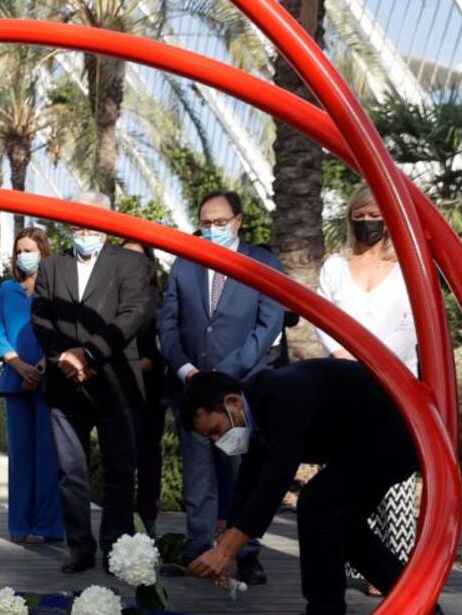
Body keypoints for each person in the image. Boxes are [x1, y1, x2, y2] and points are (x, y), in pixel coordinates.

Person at [181, 361, 449, 615]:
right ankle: (420, 607)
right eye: (212, 438)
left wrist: (227, 550)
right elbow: (251, 477)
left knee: (317, 507)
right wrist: (227, 539)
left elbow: (276, 477)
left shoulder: (281, 395)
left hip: (392, 434)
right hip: (368, 441)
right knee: (339, 523)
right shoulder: (256, 408)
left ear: (232, 402)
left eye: (217, 430)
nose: (220, 441)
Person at [157, 190, 284, 586]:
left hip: (238, 394)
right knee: (198, 477)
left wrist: (224, 376)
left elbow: (268, 327)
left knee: (241, 472)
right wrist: (185, 369)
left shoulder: (262, 263)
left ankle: (245, 552)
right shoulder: (185, 263)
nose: (212, 229)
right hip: (192, 390)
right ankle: (198, 550)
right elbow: (167, 322)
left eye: (219, 222)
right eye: (205, 223)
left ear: (238, 221)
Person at [30, 192, 154, 575]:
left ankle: (114, 547)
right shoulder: (51, 266)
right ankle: (79, 547)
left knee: (120, 470)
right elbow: (41, 319)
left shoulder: (131, 262)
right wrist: (66, 359)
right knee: (71, 472)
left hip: (116, 382)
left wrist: (90, 355)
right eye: (76, 220)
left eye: (91, 219)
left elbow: (135, 313)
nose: (83, 228)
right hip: (65, 385)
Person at [315, 184, 419, 597]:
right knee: (342, 474)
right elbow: (323, 318)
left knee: (393, 481)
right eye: (358, 216)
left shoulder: (409, 267)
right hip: (343, 381)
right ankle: (352, 563)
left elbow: (413, 326)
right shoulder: (335, 267)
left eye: (374, 215)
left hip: (396, 384)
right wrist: (346, 357)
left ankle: (395, 571)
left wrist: (381, 367)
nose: (366, 223)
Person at [0, 227, 65, 545]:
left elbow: (66, 330)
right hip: (15, 379)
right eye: (19, 250)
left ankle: (48, 526)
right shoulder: (6, 290)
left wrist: (46, 363)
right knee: (20, 457)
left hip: (52, 378)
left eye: (30, 250)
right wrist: (19, 365)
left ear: (43, 253)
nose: (24, 256)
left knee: (49, 456)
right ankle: (20, 525)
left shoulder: (58, 289)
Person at [122, 239, 167, 538]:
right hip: (115, 391)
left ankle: (147, 520)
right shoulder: (108, 295)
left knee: (148, 458)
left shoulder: (158, 298)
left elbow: (160, 348)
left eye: (138, 259)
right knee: (120, 460)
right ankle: (121, 522)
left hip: (148, 391)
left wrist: (132, 368)